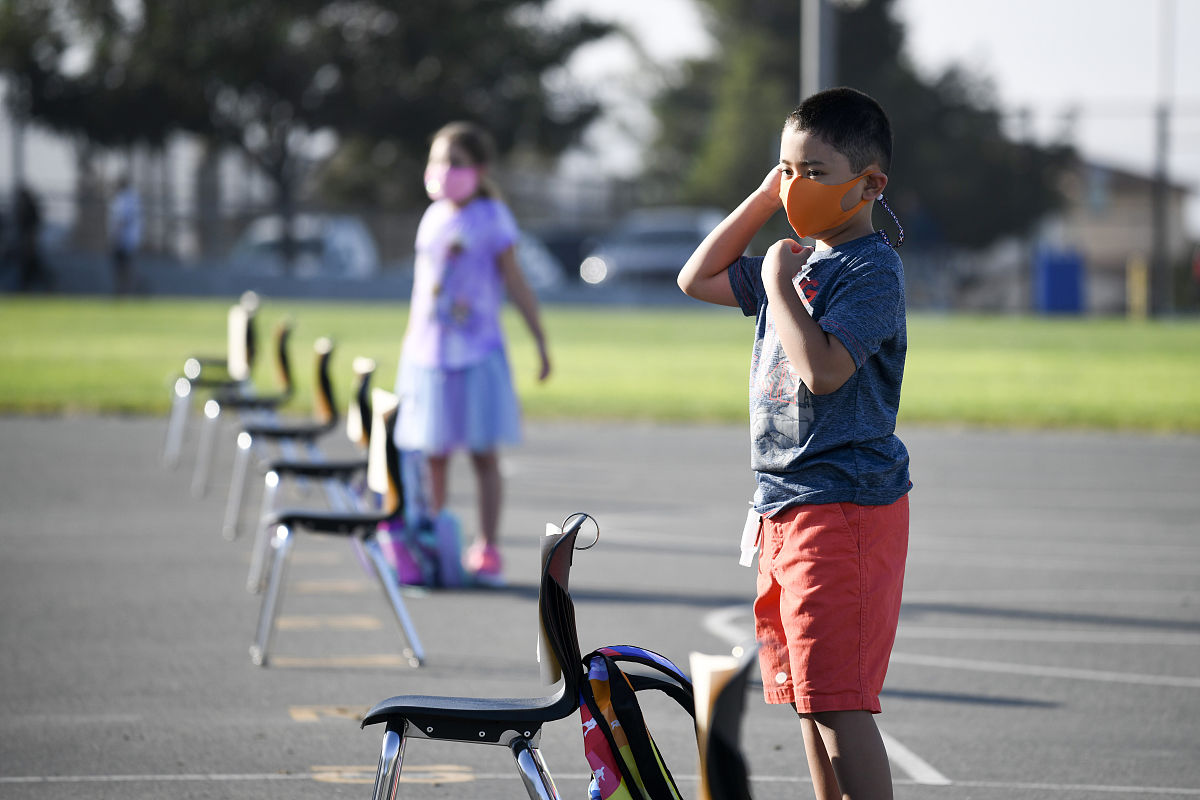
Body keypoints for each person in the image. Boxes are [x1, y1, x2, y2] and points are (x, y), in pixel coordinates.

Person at [677, 87, 911, 800]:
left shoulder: (869, 269)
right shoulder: (799, 255)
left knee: (839, 700)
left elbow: (825, 371)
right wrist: (762, 198)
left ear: (869, 184)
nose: (796, 187)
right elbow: (698, 277)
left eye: (814, 172)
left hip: (842, 507)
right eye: (787, 170)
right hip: (785, 504)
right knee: (809, 698)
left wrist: (780, 284)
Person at [394, 121, 551, 587]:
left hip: (477, 351)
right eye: (438, 160)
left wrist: (540, 340)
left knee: (482, 454)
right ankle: (436, 541)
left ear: (479, 169)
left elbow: (516, 283)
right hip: (428, 354)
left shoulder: (491, 219)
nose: (444, 171)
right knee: (433, 453)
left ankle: (487, 547)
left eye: (455, 162)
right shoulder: (433, 216)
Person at [108, 174, 142, 295]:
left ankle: (125, 292)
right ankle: (128, 291)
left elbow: (122, 219)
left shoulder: (123, 198)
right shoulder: (133, 197)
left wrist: (116, 236)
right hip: (131, 240)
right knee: (127, 268)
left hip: (123, 240)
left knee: (123, 269)